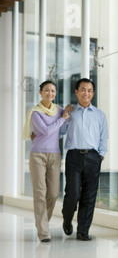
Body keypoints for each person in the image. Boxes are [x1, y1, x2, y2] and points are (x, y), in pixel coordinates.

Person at [59, 78, 109, 241]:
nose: (86, 93)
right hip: (73, 156)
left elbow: (104, 137)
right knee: (72, 193)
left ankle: (83, 231)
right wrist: (64, 116)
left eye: (89, 90)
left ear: (92, 93)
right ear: (76, 92)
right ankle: (67, 219)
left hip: (93, 157)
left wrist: (100, 155)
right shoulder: (70, 111)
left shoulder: (100, 115)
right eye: (82, 89)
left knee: (89, 195)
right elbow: (60, 133)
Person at [22, 81, 71, 242]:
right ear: (40, 92)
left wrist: (69, 113)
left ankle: (42, 223)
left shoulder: (59, 110)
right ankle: (44, 231)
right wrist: (63, 119)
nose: (50, 93)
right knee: (40, 193)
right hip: (37, 155)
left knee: (53, 193)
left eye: (53, 91)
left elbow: (69, 119)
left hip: (55, 155)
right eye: (46, 90)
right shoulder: (35, 112)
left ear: (55, 94)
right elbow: (47, 131)